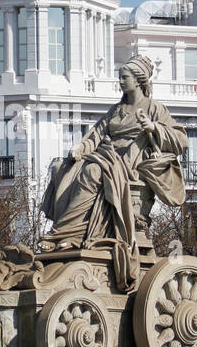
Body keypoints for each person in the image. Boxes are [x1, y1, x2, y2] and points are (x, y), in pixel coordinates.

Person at [40, 56, 187, 290]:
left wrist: (153, 127)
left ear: (138, 80)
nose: (120, 81)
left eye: (124, 77)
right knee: (61, 168)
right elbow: (96, 135)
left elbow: (181, 140)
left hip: (130, 165)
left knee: (92, 172)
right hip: (108, 155)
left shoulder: (154, 108)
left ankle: (67, 234)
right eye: (120, 76)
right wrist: (80, 148)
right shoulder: (116, 110)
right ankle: (66, 235)